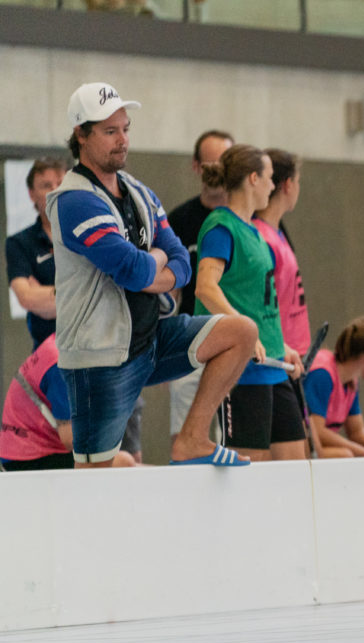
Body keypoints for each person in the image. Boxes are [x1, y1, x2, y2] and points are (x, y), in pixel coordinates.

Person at [48, 82, 257, 468]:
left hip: (151, 340)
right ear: (81, 135)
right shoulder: (74, 200)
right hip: (101, 360)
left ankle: (192, 439)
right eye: (110, 131)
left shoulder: (139, 192)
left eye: (126, 129)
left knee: (241, 332)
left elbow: (182, 264)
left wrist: (152, 267)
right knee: (96, 475)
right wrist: (156, 262)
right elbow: (133, 271)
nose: (122, 140)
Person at [194, 143, 306, 462]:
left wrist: (280, 344)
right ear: (253, 179)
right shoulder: (221, 226)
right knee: (250, 461)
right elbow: (205, 288)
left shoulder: (254, 231)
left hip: (272, 363)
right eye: (269, 178)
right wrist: (246, 333)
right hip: (241, 368)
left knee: (294, 458)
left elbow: (257, 303)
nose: (273, 186)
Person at [166, 129, 235, 441]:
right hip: (193, 340)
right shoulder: (180, 220)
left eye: (224, 163)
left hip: (240, 342)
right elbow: (170, 290)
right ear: (196, 166)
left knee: (234, 440)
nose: (217, 171)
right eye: (210, 164)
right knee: (186, 435)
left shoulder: (248, 221)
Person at [0, 335, 135, 471]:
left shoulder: (63, 342)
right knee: (124, 463)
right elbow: (71, 439)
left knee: (127, 463)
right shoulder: (63, 365)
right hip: (29, 459)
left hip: (23, 451)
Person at [303, 315, 364, 458]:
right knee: (345, 455)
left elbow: (356, 430)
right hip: (304, 447)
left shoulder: (351, 381)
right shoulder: (322, 374)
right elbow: (317, 430)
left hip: (318, 448)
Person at [6, 158, 67, 351]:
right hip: (49, 351)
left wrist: (48, 299)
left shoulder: (86, 235)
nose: (55, 191)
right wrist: (81, 297)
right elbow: (26, 297)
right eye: (46, 186)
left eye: (60, 184)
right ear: (31, 194)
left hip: (94, 349)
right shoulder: (20, 243)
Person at [254, 148, 310, 356]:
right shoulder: (262, 238)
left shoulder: (277, 233)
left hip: (289, 352)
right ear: (288, 184)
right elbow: (258, 304)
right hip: (274, 353)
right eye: (298, 181)